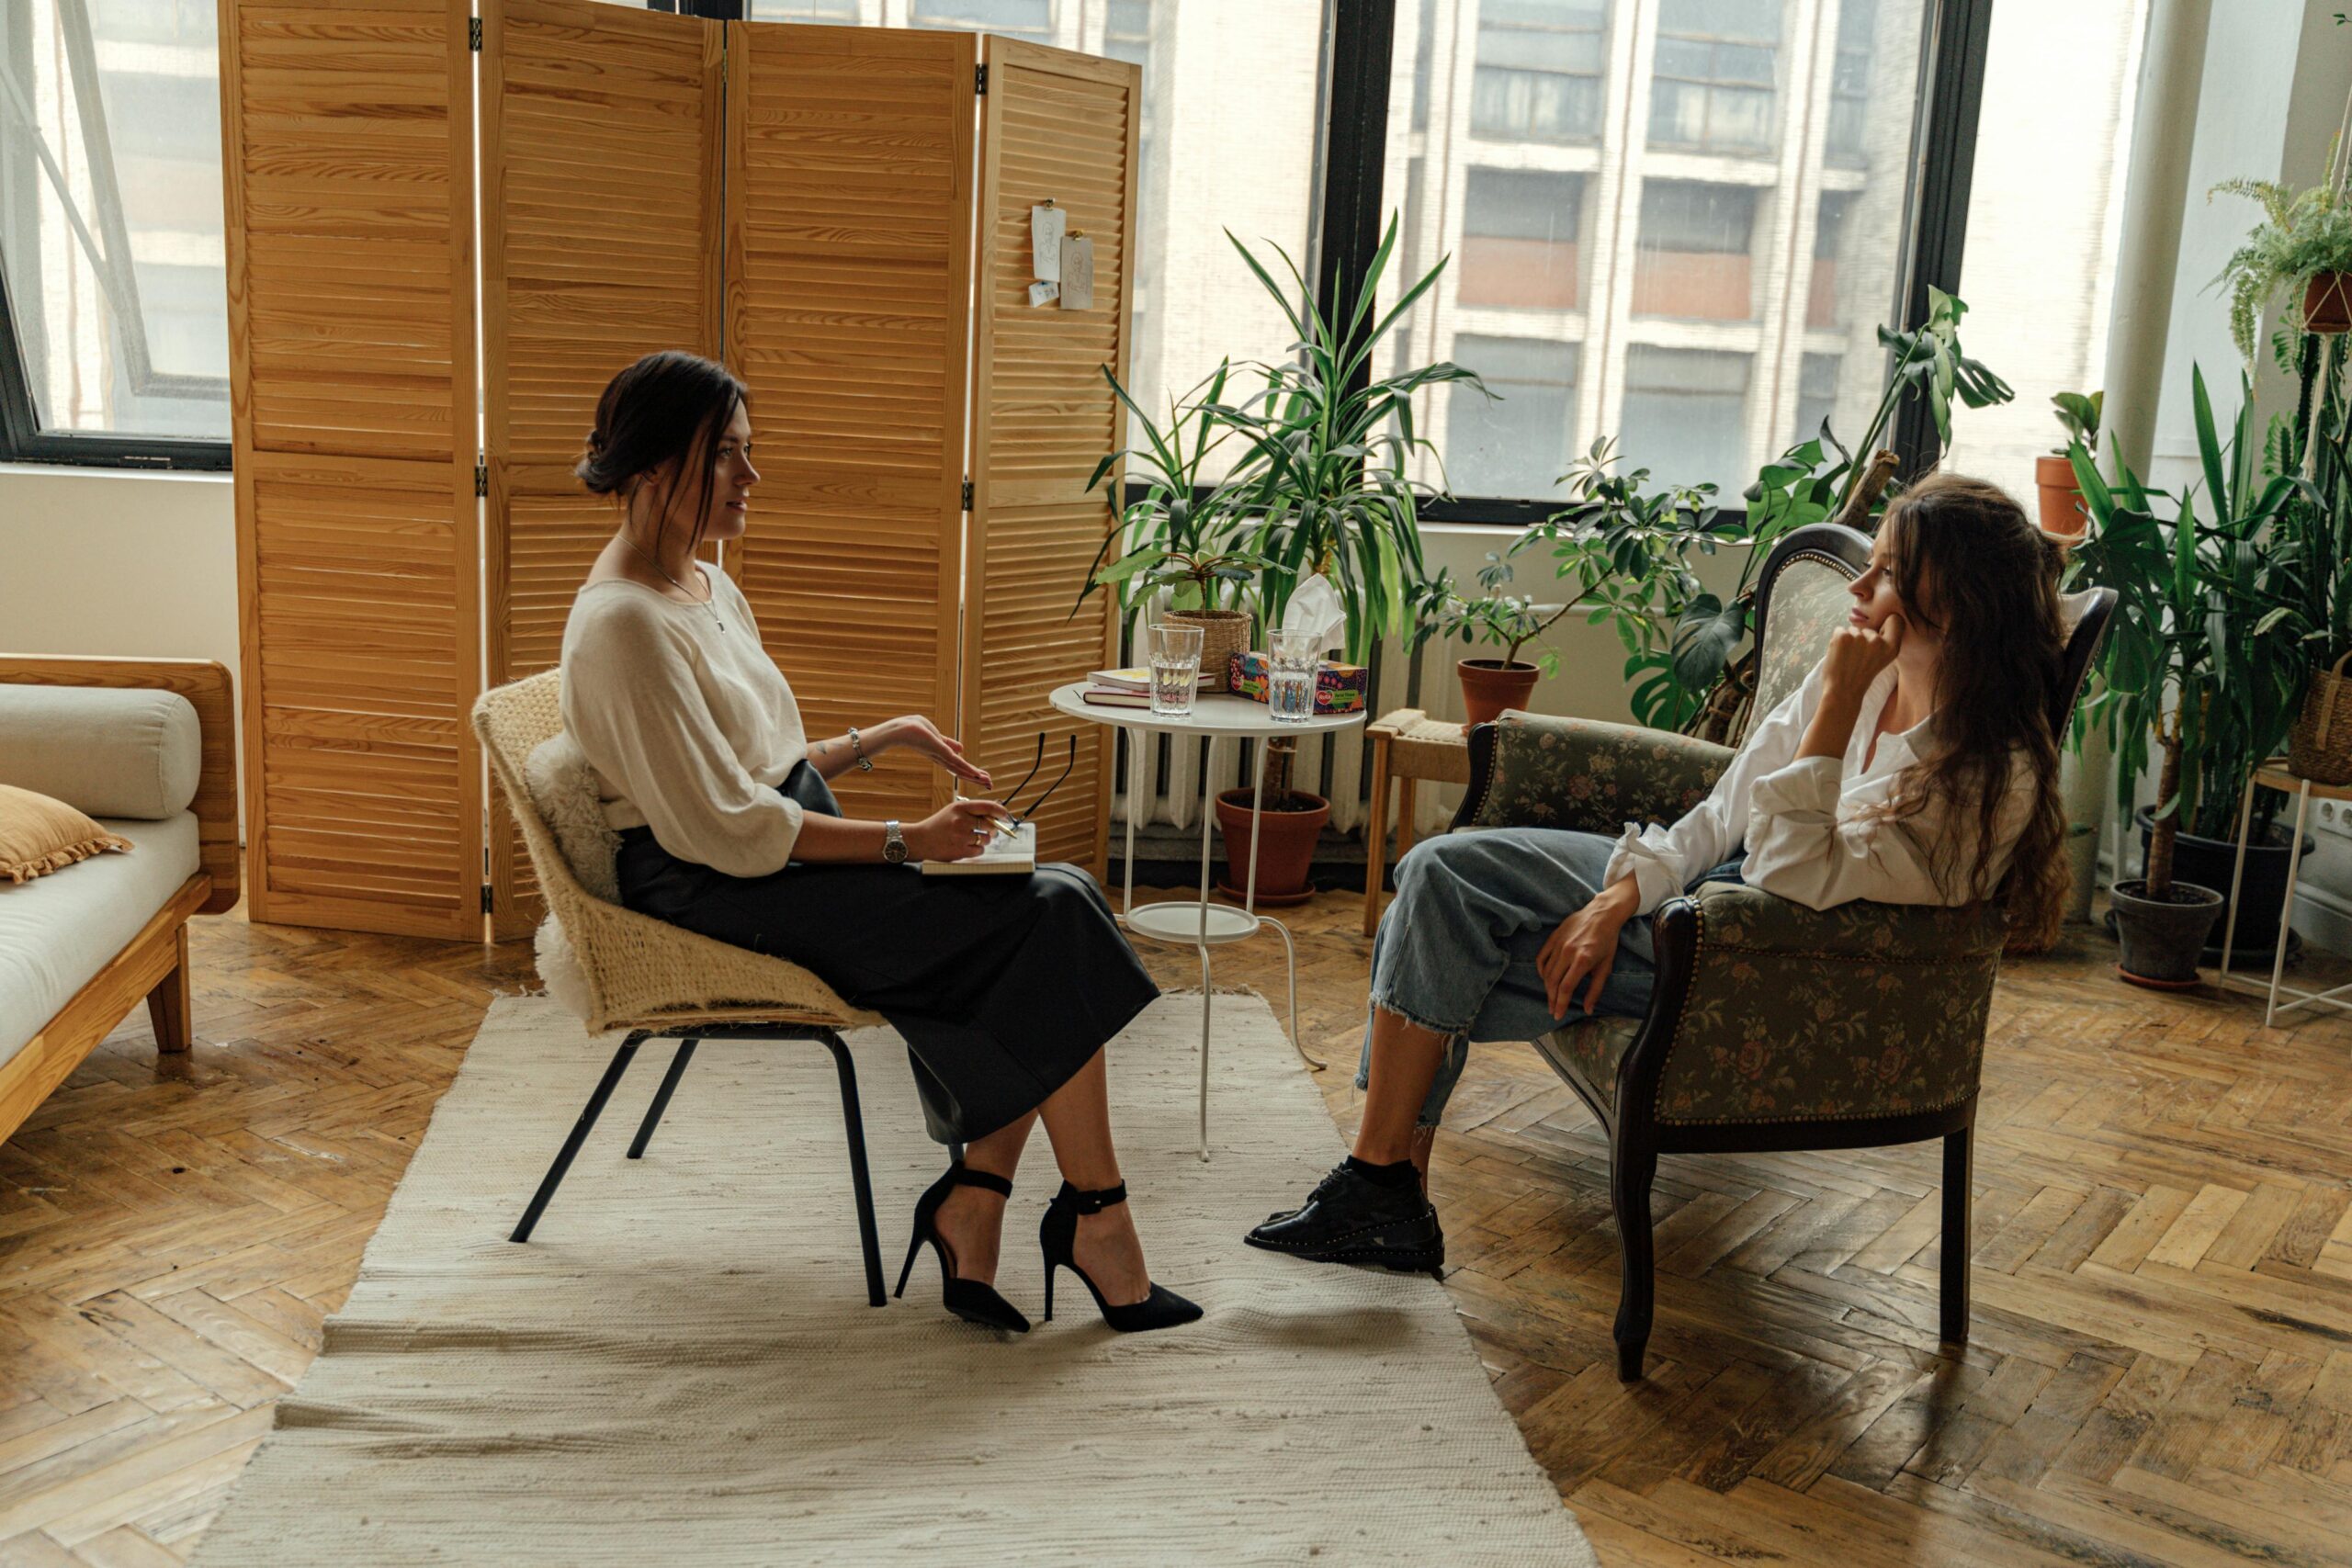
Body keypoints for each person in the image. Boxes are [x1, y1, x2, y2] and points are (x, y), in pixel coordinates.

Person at [1247, 474, 2072, 1273]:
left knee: (1436, 912)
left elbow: (1786, 873)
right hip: (1699, 907)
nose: (1860, 584)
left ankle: (1384, 1190)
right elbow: (1727, 809)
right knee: (1434, 894)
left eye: (1888, 570)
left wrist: (1832, 711)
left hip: (1765, 964)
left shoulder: (1979, 780)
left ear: (1955, 606)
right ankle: (1389, 1186)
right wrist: (1620, 897)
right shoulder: (1873, 671)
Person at [559, 350, 1198, 1335]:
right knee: (1050, 917)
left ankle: (984, 1206)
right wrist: (909, 839)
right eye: (728, 456)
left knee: (1051, 898)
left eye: (747, 452)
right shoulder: (622, 625)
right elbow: (722, 824)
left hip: (762, 848)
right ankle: (1082, 1223)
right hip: (715, 886)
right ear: (652, 466)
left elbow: (747, 764)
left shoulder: (702, 585)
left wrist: (876, 740)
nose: (751, 476)